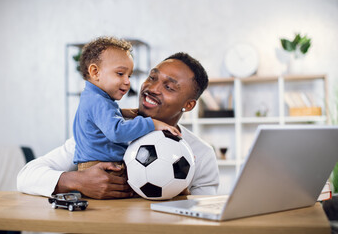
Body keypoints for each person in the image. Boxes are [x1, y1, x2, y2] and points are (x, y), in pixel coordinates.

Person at [17, 52, 220, 199]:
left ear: (189, 105)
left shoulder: (201, 153)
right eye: (152, 77)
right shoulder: (104, 130)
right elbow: (26, 176)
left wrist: (181, 194)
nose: (152, 88)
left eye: (168, 87)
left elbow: (204, 218)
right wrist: (77, 181)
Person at [72, 37, 180, 173]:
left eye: (129, 76)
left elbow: (100, 119)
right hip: (102, 168)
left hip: (97, 164)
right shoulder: (98, 100)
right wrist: (152, 124)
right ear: (95, 72)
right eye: (120, 74)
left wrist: (123, 113)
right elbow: (117, 132)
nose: (127, 81)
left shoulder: (92, 97)